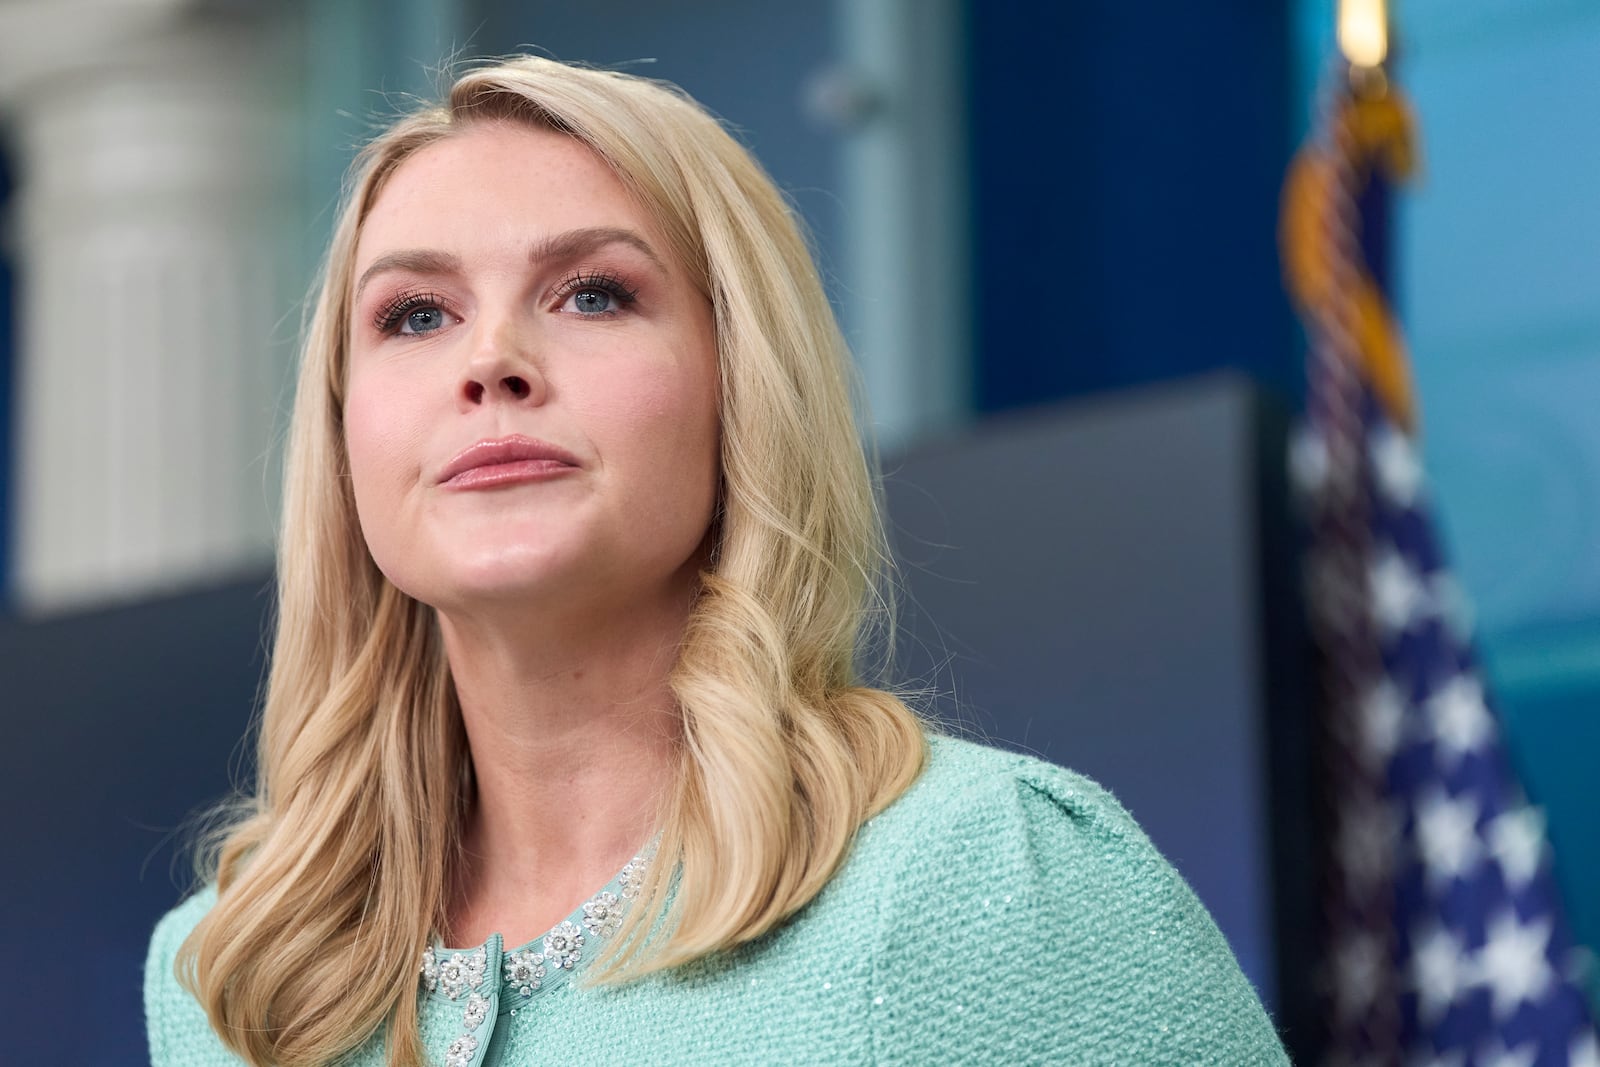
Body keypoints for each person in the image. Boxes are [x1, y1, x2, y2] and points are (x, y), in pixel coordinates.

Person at [144, 55, 1290, 1066]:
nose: (489, 359)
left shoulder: (989, 879)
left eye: (594, 293)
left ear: (743, 387)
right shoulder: (227, 974)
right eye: (414, 314)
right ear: (342, 434)